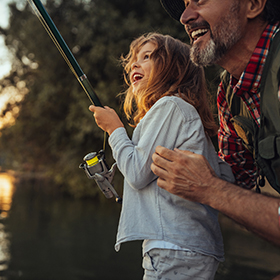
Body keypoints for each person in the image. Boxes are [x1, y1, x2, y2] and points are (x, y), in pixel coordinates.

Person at [89, 32, 235, 280]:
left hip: (173, 247)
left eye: (147, 57)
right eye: (134, 59)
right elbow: (226, 177)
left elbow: (136, 173)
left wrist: (114, 130)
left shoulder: (170, 107)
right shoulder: (182, 114)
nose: (135, 63)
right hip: (189, 247)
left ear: (175, 70)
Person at [151, 0, 280, 247]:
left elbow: (219, 190)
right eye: (186, 4)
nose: (185, 16)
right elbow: (235, 184)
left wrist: (209, 189)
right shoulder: (228, 95)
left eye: (200, 0)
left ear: (253, 5)